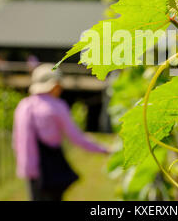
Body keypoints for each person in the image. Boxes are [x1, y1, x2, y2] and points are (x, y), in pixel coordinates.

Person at [13, 63, 108, 201]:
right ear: (55, 85)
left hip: (29, 169)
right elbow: (76, 138)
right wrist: (103, 149)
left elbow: (16, 140)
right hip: (51, 169)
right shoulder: (56, 107)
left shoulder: (23, 106)